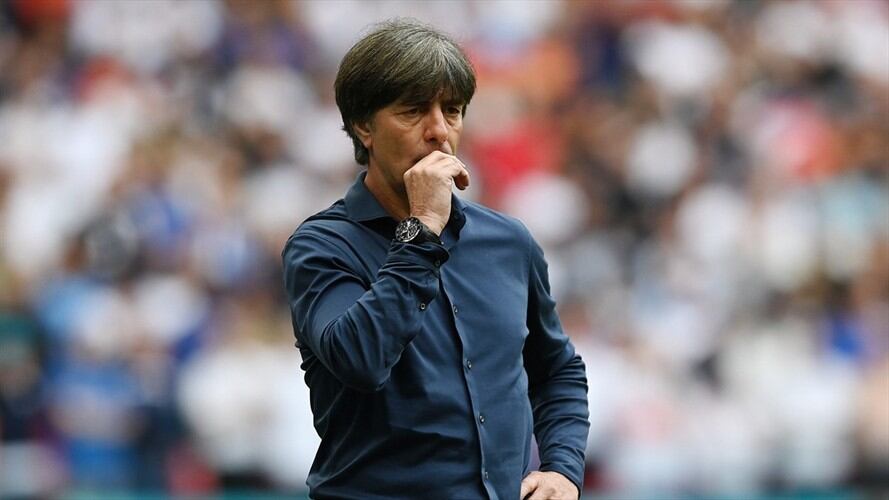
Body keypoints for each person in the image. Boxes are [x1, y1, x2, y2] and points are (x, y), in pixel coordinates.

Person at [282, 19, 589, 500]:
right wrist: (422, 227)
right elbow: (361, 360)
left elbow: (557, 371)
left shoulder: (508, 242)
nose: (439, 132)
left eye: (452, 110)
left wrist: (562, 469)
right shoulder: (322, 246)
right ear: (364, 126)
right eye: (413, 112)